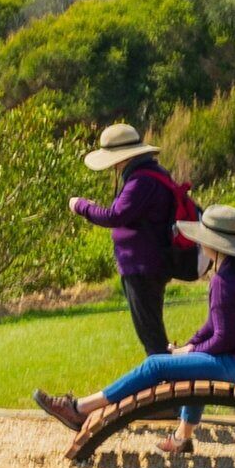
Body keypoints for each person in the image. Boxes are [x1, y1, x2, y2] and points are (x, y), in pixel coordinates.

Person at [32, 205, 235, 456]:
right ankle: (182, 439)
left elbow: (223, 340)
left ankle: (80, 409)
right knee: (190, 367)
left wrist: (189, 353)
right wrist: (189, 347)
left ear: (213, 244)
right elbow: (214, 324)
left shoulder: (225, 281)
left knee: (156, 367)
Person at [67, 122, 190, 359]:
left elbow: (115, 216)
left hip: (143, 267)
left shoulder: (140, 181)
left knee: (152, 338)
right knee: (151, 333)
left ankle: (167, 386)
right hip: (150, 264)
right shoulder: (151, 173)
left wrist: (81, 206)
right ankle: (166, 385)